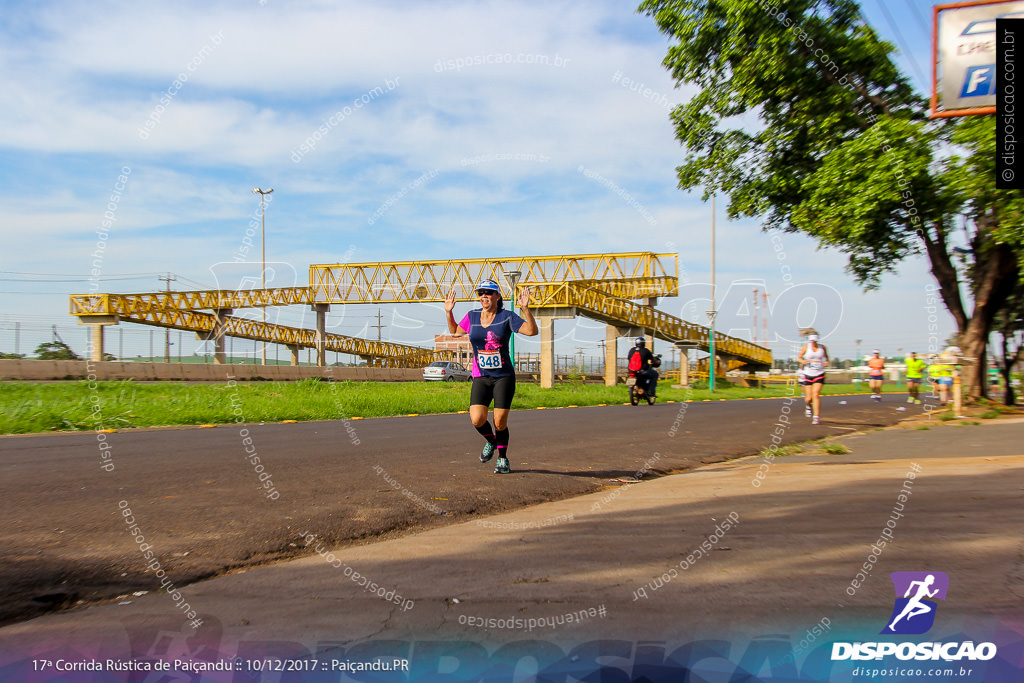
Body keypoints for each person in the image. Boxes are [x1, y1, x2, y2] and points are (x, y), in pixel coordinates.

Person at [445, 279, 538, 474]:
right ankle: (492, 441)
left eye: (489, 292)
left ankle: (503, 459)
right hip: (481, 376)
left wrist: (525, 309)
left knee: (499, 422)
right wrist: (449, 312)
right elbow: (454, 332)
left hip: (503, 376)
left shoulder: (507, 316)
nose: (484, 296)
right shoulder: (472, 316)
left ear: (497, 296)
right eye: (481, 293)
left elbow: (531, 331)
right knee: (477, 419)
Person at [797, 334, 828, 424]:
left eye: (814, 341)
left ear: (817, 341)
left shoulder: (822, 348)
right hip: (808, 373)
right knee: (808, 398)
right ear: (809, 341)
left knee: (816, 394)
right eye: (811, 341)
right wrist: (803, 361)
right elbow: (799, 358)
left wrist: (826, 361)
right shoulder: (806, 347)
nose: (813, 343)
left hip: (819, 373)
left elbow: (826, 357)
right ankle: (808, 406)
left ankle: (816, 417)